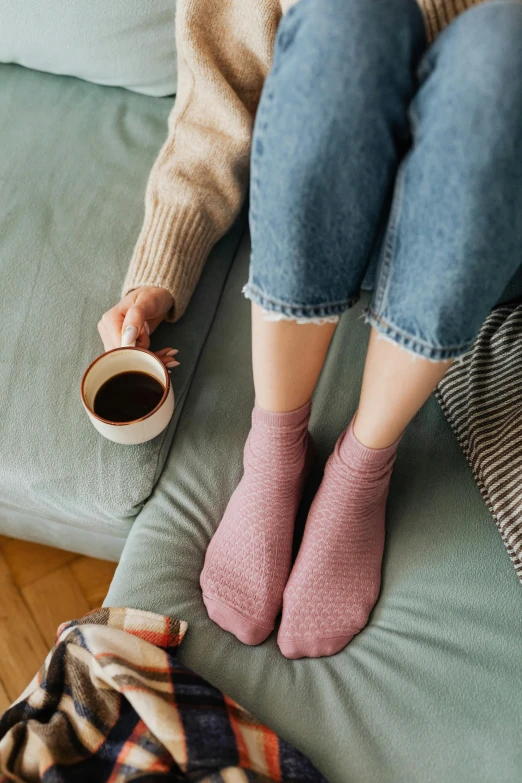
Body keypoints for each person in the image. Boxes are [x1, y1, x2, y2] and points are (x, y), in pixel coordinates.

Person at [98, 0, 522, 658]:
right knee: (349, 14)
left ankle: (361, 469)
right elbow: (220, 97)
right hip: (324, 217)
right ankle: (274, 450)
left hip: (482, 227)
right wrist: (157, 274)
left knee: (506, 45)